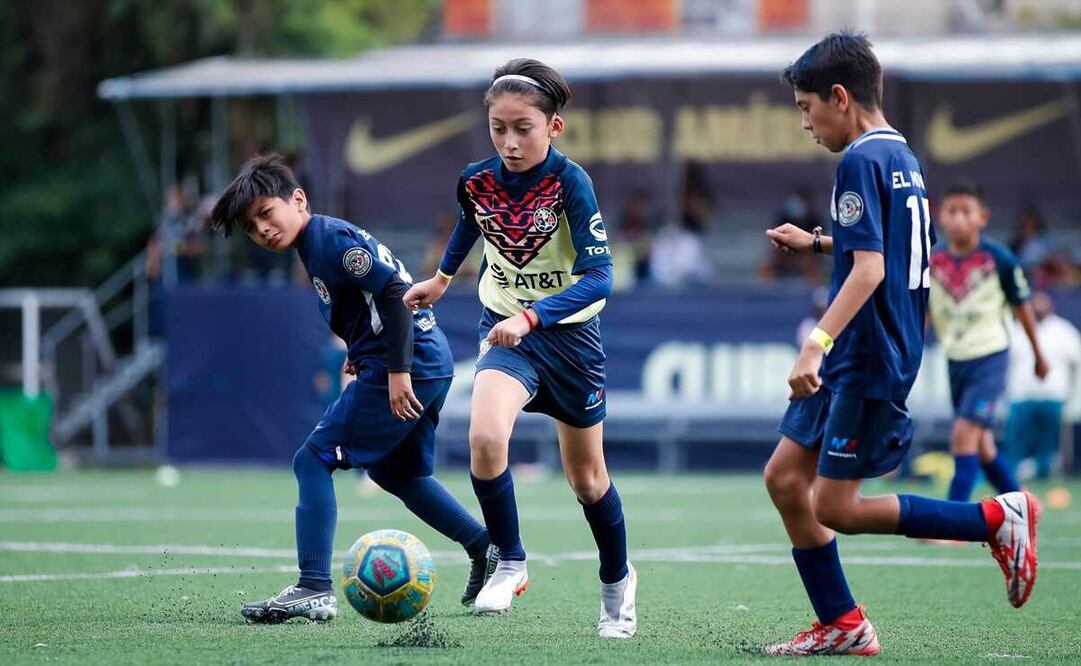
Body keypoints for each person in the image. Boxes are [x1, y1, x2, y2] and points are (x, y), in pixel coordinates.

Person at [761, 32, 1040, 656]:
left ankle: (994, 519)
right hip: (862, 351)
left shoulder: (859, 160)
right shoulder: (901, 157)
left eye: (807, 108)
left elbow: (872, 271)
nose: (805, 122)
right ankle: (841, 623)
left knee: (837, 507)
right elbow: (889, 247)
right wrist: (818, 243)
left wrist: (815, 344)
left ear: (840, 96)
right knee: (784, 478)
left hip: (865, 355)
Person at [208, 154, 496, 624]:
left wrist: (397, 369)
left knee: (313, 458)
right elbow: (372, 305)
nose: (261, 229)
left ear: (297, 200)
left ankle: (314, 587)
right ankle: (486, 549)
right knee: (396, 474)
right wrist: (363, 348)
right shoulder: (317, 244)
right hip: (421, 360)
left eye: (265, 213)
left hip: (408, 364)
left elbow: (395, 293)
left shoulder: (327, 239)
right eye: (250, 225)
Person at [403, 58, 636, 638]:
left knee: (587, 480)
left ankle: (617, 586)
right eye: (498, 127)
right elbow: (470, 220)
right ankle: (509, 559)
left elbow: (601, 276)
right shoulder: (475, 178)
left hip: (571, 341)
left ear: (553, 127)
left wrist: (533, 317)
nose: (509, 141)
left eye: (523, 128)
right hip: (504, 330)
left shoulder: (571, 183)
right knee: (484, 436)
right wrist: (442, 278)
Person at [928, 181, 1049, 503]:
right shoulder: (933, 260)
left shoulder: (1000, 258)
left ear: (982, 217)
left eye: (966, 211)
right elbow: (926, 309)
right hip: (955, 358)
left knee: (963, 435)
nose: (959, 219)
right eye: (952, 211)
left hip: (990, 357)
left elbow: (1022, 304)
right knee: (982, 447)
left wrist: (1039, 354)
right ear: (941, 216)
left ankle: (953, 522)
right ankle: (1022, 502)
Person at [1005, 291, 1081, 479]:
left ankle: (1044, 478)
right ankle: (1012, 481)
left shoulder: (1063, 330)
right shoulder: (1016, 330)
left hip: (1053, 396)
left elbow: (1076, 363)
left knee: (1049, 444)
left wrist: (1074, 398)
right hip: (1021, 397)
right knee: (1017, 442)